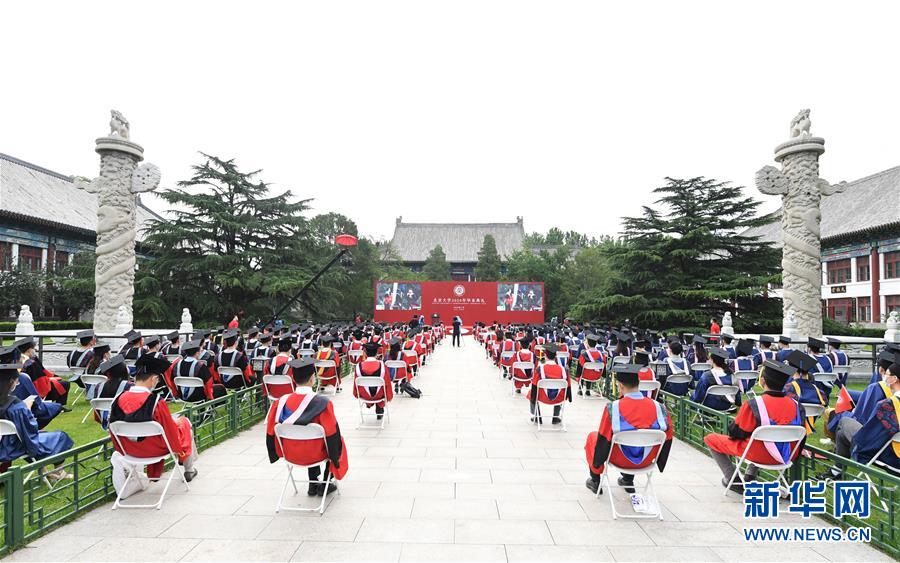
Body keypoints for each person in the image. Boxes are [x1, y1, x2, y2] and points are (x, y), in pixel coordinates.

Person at [705, 360, 804, 492]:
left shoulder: (754, 404)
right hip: (787, 455)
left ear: (762, 381)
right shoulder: (797, 406)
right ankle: (750, 476)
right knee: (758, 437)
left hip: (759, 454)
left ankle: (733, 479)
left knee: (711, 439)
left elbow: (736, 432)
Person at [584, 364, 674, 494]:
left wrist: (598, 463)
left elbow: (603, 439)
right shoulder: (660, 408)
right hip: (647, 460)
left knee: (593, 437)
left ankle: (595, 480)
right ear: (639, 383)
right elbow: (668, 437)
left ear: (620, 386)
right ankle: (627, 480)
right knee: (637, 443)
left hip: (620, 459)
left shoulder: (613, 408)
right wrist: (660, 462)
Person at [265, 357, 349, 495]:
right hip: (315, 454)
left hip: (290, 453)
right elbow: (332, 435)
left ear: (293, 379)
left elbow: (270, 431)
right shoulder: (323, 403)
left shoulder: (280, 402)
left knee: (312, 438)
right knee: (336, 441)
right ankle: (326, 482)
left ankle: (313, 483)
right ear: (312, 379)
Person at [109, 367, 198, 481]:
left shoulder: (117, 399)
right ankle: (189, 470)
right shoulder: (156, 402)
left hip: (128, 450)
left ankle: (157, 473)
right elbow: (170, 432)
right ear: (153, 379)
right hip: (156, 450)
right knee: (185, 424)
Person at [821, 362, 900, 479]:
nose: (885, 377)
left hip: (886, 455)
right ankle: (836, 471)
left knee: (844, 421)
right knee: (842, 433)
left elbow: (869, 434)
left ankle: (837, 469)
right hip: (893, 453)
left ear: (894, 379)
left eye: (887, 374)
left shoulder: (887, 405)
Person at [0, 363, 74, 480]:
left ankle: (45, 472)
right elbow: (30, 433)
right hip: (13, 447)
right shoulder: (17, 406)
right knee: (60, 436)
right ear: (11, 382)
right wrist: (28, 409)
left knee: (41, 436)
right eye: (17, 382)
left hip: (4, 445)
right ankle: (59, 472)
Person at [0, 345, 63, 429]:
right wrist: (28, 407)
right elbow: (37, 402)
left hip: (9, 418)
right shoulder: (22, 377)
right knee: (53, 410)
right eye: (21, 358)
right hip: (20, 416)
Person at [17, 337, 70, 408]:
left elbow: (42, 372)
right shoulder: (31, 363)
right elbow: (40, 382)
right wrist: (51, 379)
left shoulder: (17, 360)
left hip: (22, 388)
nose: (35, 350)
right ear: (29, 350)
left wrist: (52, 377)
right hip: (35, 389)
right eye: (33, 348)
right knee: (65, 384)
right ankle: (59, 406)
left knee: (58, 380)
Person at [782, 350, 827, 433]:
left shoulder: (789, 387)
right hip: (811, 418)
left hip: (794, 422)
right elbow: (825, 402)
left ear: (792, 369)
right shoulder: (817, 390)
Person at [528, 344, 570, 425]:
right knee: (561, 390)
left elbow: (534, 385)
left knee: (531, 393)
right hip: (559, 398)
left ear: (545, 355)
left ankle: (537, 417)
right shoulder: (564, 370)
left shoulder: (539, 369)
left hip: (543, 397)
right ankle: (555, 417)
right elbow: (568, 386)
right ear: (556, 356)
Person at [353, 341, 393, 419]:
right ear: (376, 353)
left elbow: (355, 385)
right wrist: (389, 396)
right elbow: (387, 383)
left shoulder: (358, 366)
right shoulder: (382, 366)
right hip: (379, 395)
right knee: (381, 388)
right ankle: (379, 407)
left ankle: (370, 404)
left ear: (365, 353)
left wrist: (357, 393)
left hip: (365, 395)